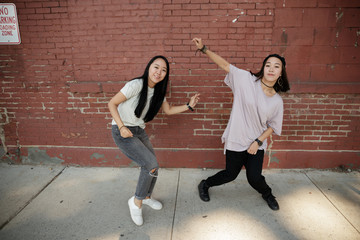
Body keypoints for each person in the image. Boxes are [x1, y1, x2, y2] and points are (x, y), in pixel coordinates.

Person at [192, 38, 290, 211]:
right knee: (230, 174)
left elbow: (273, 126)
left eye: (276, 66)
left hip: (256, 143)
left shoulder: (277, 101)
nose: (271, 69)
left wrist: (258, 142)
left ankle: (268, 194)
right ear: (263, 67)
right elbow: (225, 66)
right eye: (268, 65)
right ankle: (205, 184)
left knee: (254, 177)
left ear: (281, 72)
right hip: (237, 138)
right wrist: (204, 49)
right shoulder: (247, 79)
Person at [108, 55, 200, 225]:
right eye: (156, 67)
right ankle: (136, 202)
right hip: (122, 130)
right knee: (149, 164)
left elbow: (169, 110)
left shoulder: (159, 92)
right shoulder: (136, 85)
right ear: (149, 67)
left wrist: (189, 106)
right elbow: (112, 103)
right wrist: (121, 127)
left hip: (139, 131)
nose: (159, 72)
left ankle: (147, 196)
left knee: (154, 166)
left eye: (163, 70)